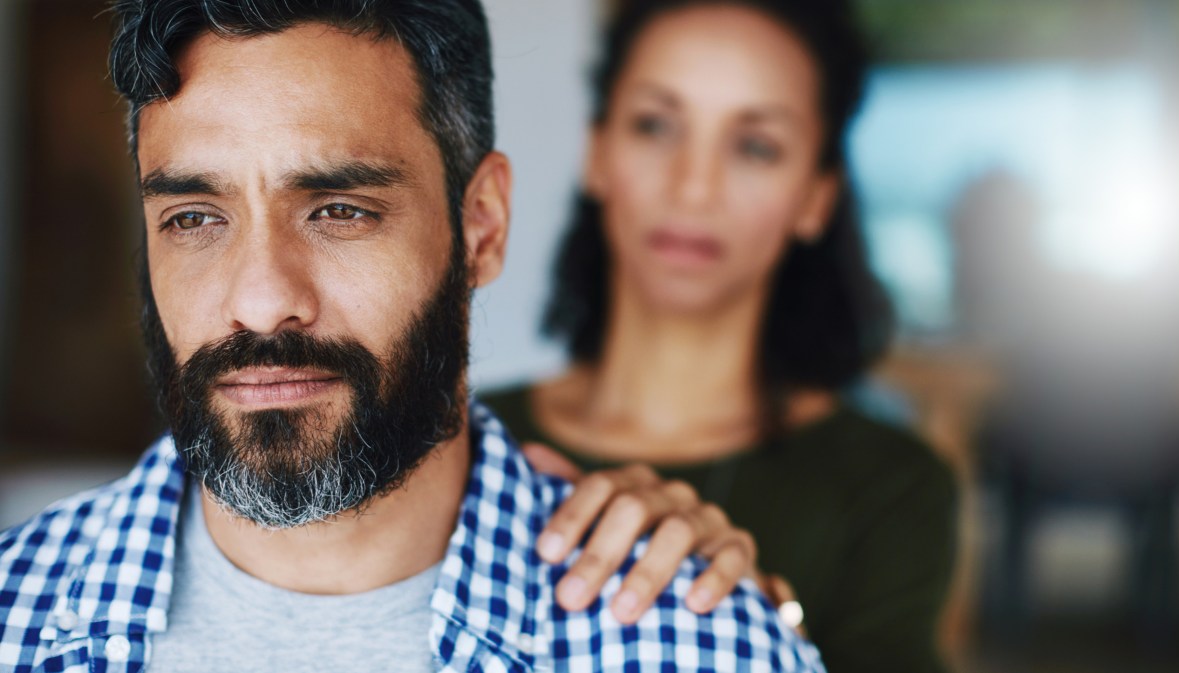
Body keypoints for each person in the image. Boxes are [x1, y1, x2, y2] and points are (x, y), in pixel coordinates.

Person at [0, 1, 825, 671]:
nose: (259, 302)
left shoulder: (699, 647)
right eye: (193, 217)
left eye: (340, 211)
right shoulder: (13, 617)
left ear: (482, 225)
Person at [482, 1, 958, 671]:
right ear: (597, 153)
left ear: (816, 197)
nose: (693, 187)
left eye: (755, 145)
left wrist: (758, 617)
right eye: (655, 125)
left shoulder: (892, 487)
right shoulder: (462, 438)